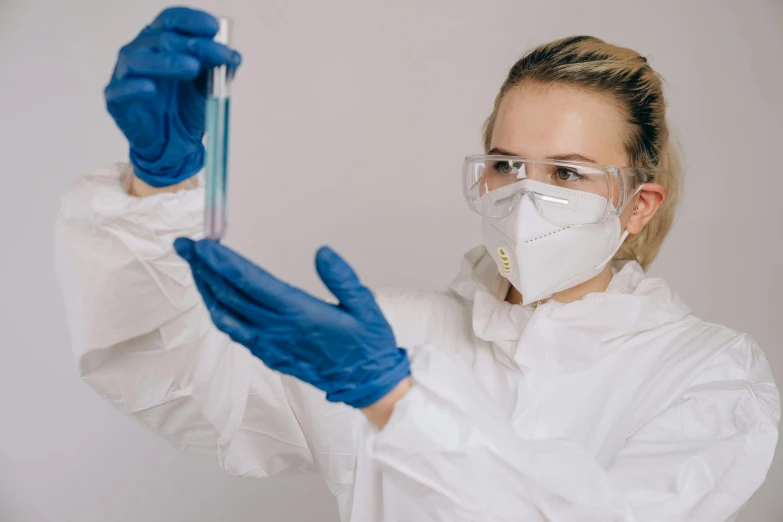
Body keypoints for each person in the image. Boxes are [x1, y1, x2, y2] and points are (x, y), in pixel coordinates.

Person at [55, 7, 779, 522]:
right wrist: (155, 185)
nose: (525, 194)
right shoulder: (396, 332)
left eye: (565, 173)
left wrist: (396, 401)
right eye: (505, 164)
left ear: (637, 203)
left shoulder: (709, 376)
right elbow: (182, 383)